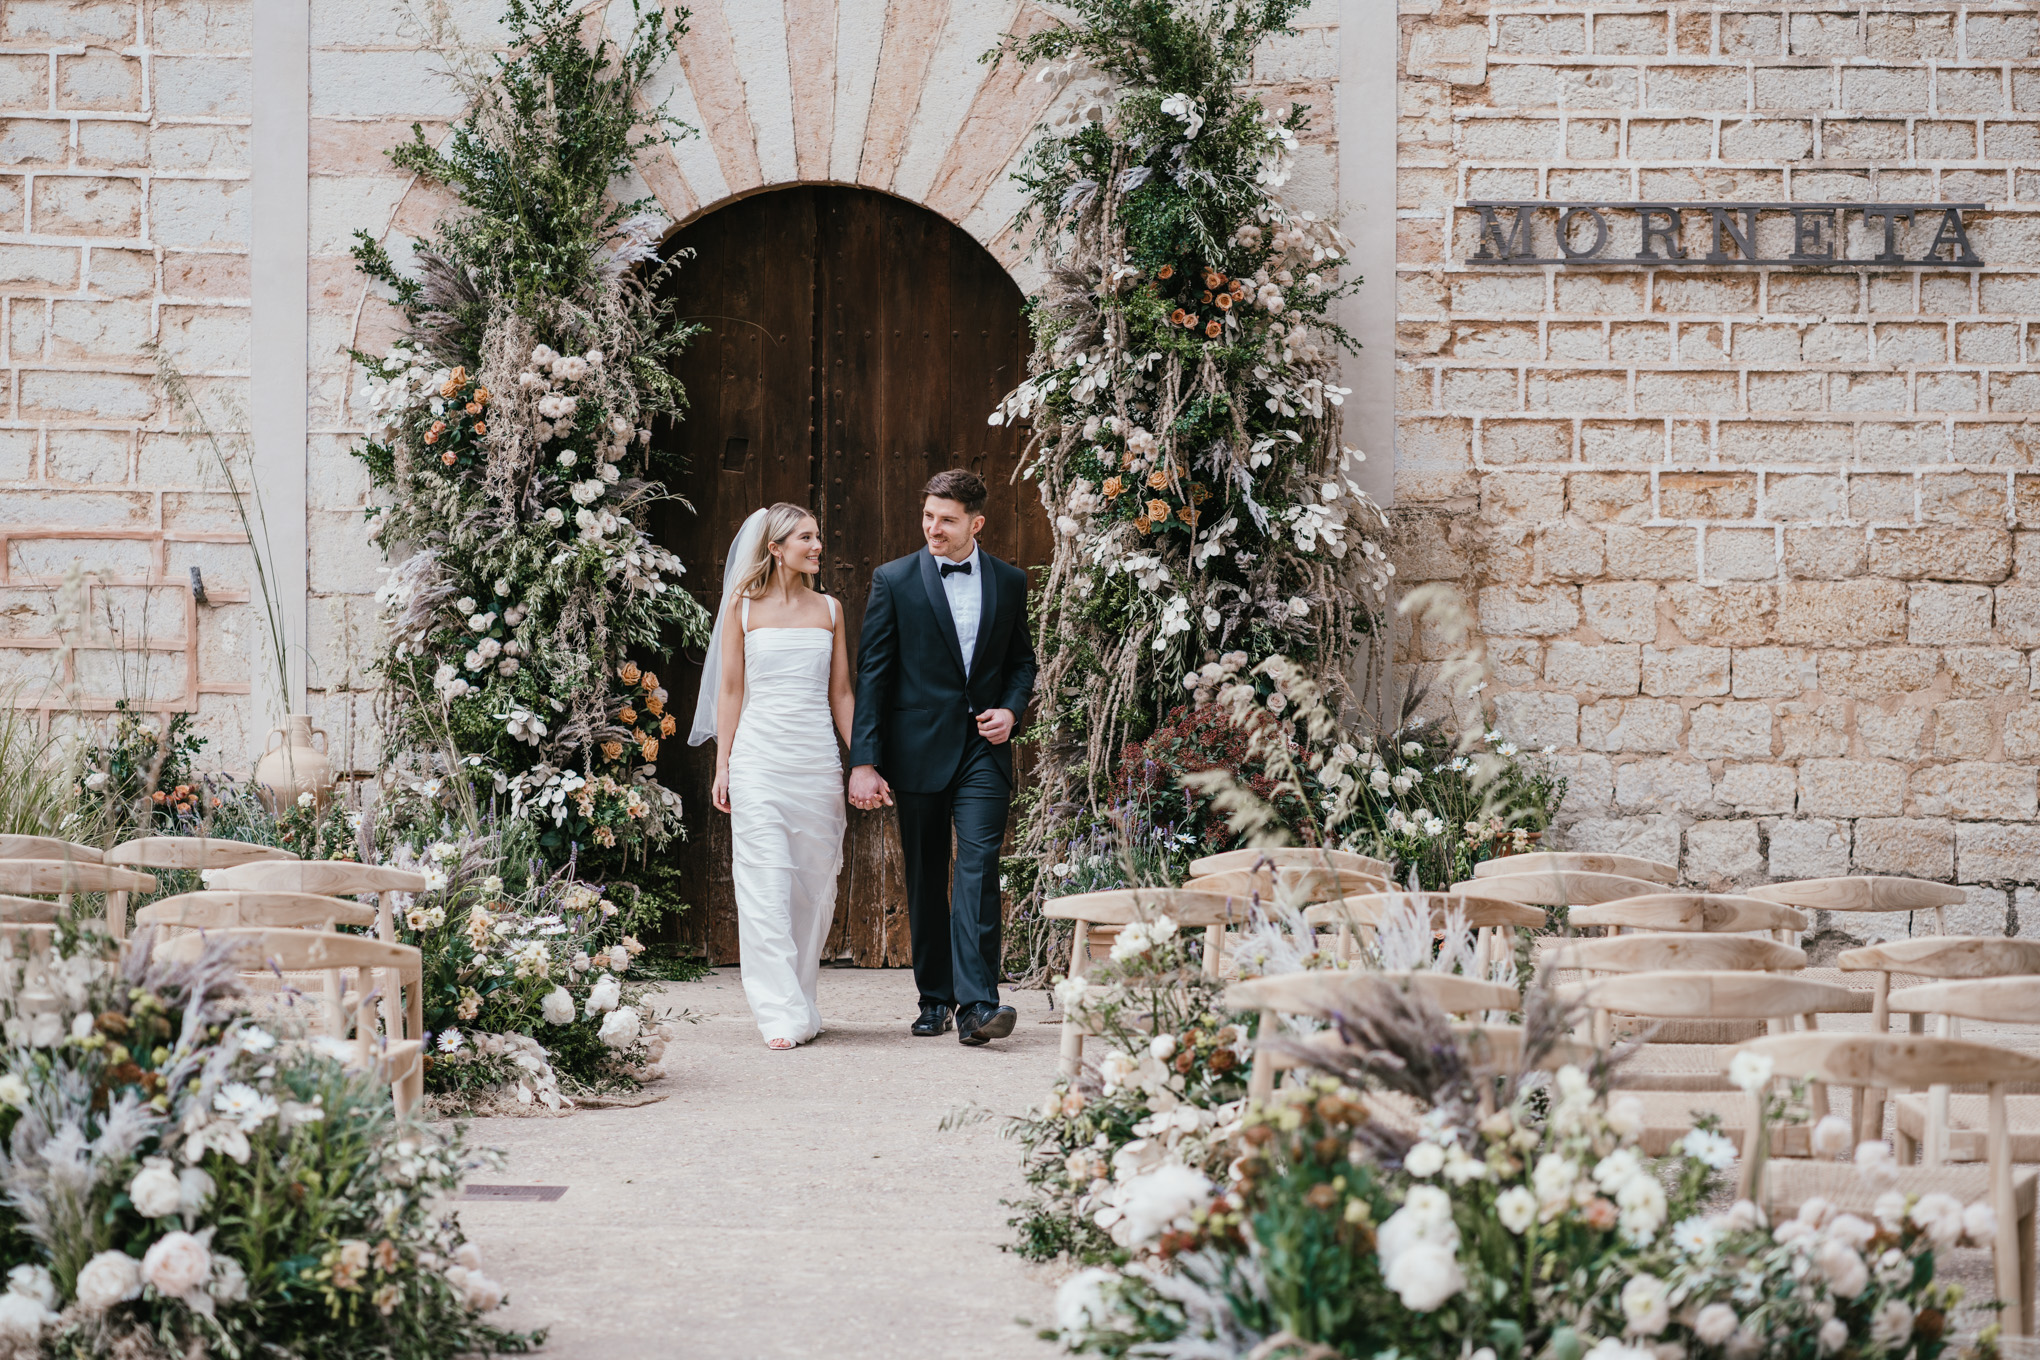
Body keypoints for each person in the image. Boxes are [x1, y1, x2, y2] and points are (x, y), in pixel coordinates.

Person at [848, 469, 1037, 1046]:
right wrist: (864, 760)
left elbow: (1021, 663)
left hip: (984, 749)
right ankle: (935, 998)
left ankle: (979, 1005)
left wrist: (1010, 710)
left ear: (975, 523)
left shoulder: (1009, 581)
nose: (934, 528)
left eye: (947, 519)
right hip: (917, 750)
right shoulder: (894, 579)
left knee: (978, 870)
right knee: (927, 876)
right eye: (928, 516)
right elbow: (873, 674)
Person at [689, 504, 853, 1050]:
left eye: (818, 535)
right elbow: (731, 691)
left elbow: (842, 694)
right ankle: (779, 1012)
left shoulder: (830, 609)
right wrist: (724, 763)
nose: (817, 545)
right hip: (758, 759)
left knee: (812, 886)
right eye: (806, 537)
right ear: (776, 548)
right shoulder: (742, 608)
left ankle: (802, 997)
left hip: (816, 762)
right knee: (763, 882)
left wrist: (867, 761)